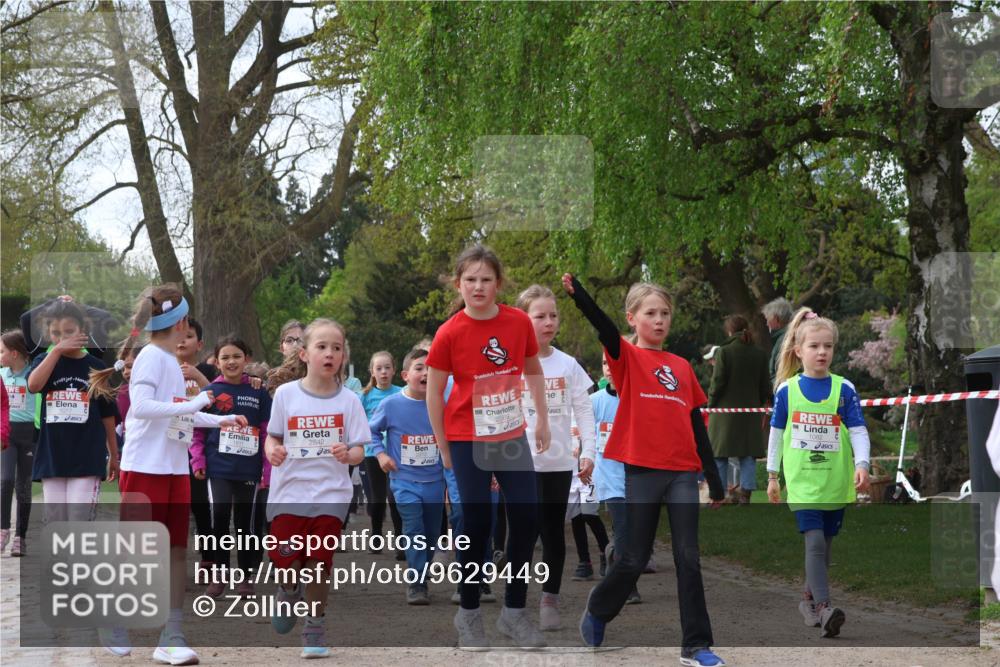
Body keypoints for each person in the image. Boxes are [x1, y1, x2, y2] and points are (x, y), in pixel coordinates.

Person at [564, 273, 726, 667]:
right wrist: (581, 296)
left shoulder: (682, 367)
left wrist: (715, 480)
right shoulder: (627, 358)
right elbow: (603, 327)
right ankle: (600, 610)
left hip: (682, 472)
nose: (659, 320)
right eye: (650, 313)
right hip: (642, 470)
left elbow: (694, 423)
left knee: (689, 556)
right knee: (633, 558)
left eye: (665, 313)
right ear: (632, 318)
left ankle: (696, 645)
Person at [88, 284, 247, 662]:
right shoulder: (150, 358)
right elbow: (141, 408)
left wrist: (219, 421)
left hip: (175, 469)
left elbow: (178, 412)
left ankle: (171, 635)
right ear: (182, 321)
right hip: (145, 469)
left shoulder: (167, 362)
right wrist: (198, 401)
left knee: (177, 551)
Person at [426, 244, 550, 650]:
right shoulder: (449, 332)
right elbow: (434, 393)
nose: (478, 286)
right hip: (465, 437)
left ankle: (514, 613)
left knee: (527, 517)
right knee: (476, 524)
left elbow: (532, 370)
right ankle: (469, 614)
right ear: (458, 284)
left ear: (498, 283)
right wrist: (443, 445)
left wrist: (543, 419)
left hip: (510, 433)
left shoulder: (517, 323)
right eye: (470, 279)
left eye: (486, 279)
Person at [264, 318, 370, 658]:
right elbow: (272, 437)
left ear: (343, 356)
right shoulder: (285, 394)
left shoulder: (350, 401)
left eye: (336, 348)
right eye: (321, 347)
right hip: (288, 493)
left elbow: (359, 449)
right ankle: (288, 589)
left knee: (319, 564)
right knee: (285, 559)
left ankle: (315, 626)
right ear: (305, 353)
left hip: (331, 495)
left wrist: (347, 454)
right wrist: (272, 451)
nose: (329, 353)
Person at [766, 307, 871, 639]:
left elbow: (858, 431)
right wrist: (772, 475)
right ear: (799, 351)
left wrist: (862, 464)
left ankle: (808, 601)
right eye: (814, 346)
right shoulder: (787, 390)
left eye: (828, 346)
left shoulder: (845, 389)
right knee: (813, 542)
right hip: (803, 483)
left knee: (825, 546)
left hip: (835, 481)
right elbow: (776, 435)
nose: (822, 352)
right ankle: (826, 608)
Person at [515, 284, 596, 632]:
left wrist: (588, 452)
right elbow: (495, 410)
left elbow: (585, 412)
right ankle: (514, 602)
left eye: (553, 315)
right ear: (522, 319)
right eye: (539, 316)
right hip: (518, 463)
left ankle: (550, 597)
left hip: (559, 463)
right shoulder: (511, 363)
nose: (548, 322)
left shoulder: (569, 365)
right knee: (521, 532)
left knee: (552, 531)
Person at [189, 336, 271, 598]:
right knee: (220, 517)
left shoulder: (258, 391)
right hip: (219, 468)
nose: (231, 362)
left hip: (249, 469)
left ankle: (246, 577)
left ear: (246, 359)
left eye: (236, 356)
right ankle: (220, 574)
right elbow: (197, 431)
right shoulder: (209, 392)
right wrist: (198, 460)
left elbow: (269, 432)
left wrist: (267, 470)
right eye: (225, 357)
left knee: (246, 524)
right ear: (217, 361)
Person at [26, 300, 119, 529]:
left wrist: (114, 455)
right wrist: (56, 351)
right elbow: (34, 386)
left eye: (69, 332)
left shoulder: (96, 366)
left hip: (87, 456)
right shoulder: (44, 362)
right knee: (55, 521)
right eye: (56, 334)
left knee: (79, 519)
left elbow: (107, 414)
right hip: (53, 456)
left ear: (83, 331)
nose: (62, 338)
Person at [369, 347, 445, 604]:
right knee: (414, 530)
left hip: (435, 481)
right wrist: (381, 455)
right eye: (419, 368)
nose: (426, 373)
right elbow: (371, 432)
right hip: (404, 482)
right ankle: (417, 583)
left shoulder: (441, 402)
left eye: (431, 368)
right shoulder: (391, 404)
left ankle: (422, 572)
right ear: (405, 374)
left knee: (432, 533)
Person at [591, 355, 642, 604]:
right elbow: (583, 438)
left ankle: (612, 562)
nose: (608, 369)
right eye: (603, 363)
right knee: (624, 531)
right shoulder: (594, 402)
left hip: (638, 479)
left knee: (635, 536)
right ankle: (627, 586)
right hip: (609, 478)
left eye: (613, 362)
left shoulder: (638, 400)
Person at [707, 315, 771, 505]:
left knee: (720, 454)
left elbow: (717, 382)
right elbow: (765, 385)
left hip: (724, 413)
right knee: (748, 454)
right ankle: (745, 495)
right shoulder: (759, 354)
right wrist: (759, 403)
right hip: (750, 411)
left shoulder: (724, 352)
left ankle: (720, 494)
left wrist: (711, 403)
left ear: (729, 331)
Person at [361, 350, 404, 556]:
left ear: (394, 370)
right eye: (379, 368)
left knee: (395, 495)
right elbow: (360, 424)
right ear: (372, 372)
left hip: (397, 452)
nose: (384, 372)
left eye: (387, 368)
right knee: (378, 498)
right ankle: (376, 537)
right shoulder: (365, 396)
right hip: (373, 454)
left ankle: (401, 542)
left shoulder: (402, 392)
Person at [1, 330, 38, 557]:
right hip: (7, 434)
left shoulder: (34, 373)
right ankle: (3, 529)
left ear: (14, 354)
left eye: (2, 351)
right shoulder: (2, 375)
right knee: (5, 480)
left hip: (30, 435)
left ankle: (20, 537)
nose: (0, 355)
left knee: (24, 486)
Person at [763, 297, 794, 383]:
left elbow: (780, 373)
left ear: (776, 319)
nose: (767, 323)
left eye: (767, 319)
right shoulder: (788, 336)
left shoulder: (784, 340)